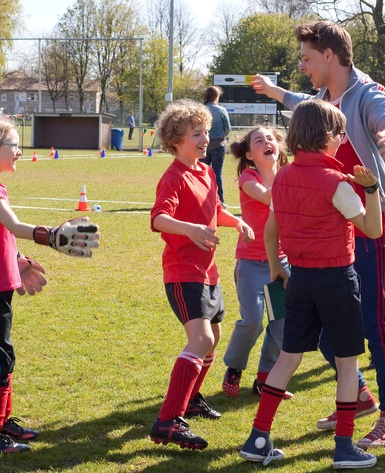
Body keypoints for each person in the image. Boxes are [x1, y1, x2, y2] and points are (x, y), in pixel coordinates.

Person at [251, 20, 385, 449]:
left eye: (306, 57)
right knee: (324, 327)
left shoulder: (367, 93)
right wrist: (273, 91)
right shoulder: (322, 100)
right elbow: (302, 102)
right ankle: (356, 393)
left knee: (376, 325)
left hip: (371, 226)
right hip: (332, 231)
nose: (302, 65)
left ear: (330, 55)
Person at [239, 99, 381, 469]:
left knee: (288, 358)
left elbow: (271, 230)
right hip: (336, 279)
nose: (343, 139)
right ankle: (345, 446)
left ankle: (258, 438)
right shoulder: (337, 182)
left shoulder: (282, 177)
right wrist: (372, 190)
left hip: (298, 276)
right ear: (327, 137)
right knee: (348, 364)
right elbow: (374, 229)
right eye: (341, 133)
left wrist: (276, 269)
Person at [0, 116, 100, 454]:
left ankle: (2, 425)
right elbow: (12, 223)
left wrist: (18, 259)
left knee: (4, 356)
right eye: (14, 145)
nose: (19, 151)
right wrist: (48, 235)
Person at [148, 99, 254, 450]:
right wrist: (189, 229)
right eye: (197, 133)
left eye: (206, 131)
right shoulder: (174, 176)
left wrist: (234, 220)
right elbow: (158, 218)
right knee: (201, 340)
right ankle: (168, 420)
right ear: (177, 139)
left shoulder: (205, 170)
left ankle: (190, 400)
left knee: (215, 335)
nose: (206, 138)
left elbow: (215, 208)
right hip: (183, 271)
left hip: (208, 271)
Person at [221, 126, 294, 399]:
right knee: (252, 320)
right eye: (259, 141)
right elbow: (267, 196)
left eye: (271, 139)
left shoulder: (288, 174)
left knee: (281, 322)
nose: (267, 142)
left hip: (281, 261)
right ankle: (234, 367)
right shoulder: (248, 177)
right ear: (250, 154)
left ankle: (265, 378)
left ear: (279, 147)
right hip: (251, 263)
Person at [201, 86, 232, 207]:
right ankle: (221, 201)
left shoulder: (201, 109)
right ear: (216, 97)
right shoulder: (221, 110)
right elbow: (227, 129)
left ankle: (203, 199)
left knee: (203, 173)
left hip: (203, 144)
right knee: (217, 174)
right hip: (219, 144)